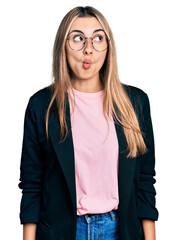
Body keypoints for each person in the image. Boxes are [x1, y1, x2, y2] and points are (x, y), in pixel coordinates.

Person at [18, 6, 159, 240]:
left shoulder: (135, 103)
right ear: (62, 46)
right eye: (77, 38)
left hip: (120, 230)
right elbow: (32, 184)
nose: (88, 50)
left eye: (98, 38)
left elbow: (145, 180)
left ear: (108, 47)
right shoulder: (41, 106)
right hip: (62, 232)